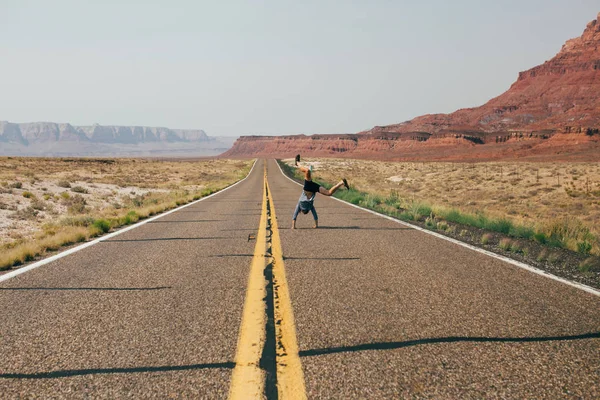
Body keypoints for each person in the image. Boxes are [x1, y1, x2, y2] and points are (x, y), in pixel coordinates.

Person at [291, 155, 349, 229]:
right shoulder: (309, 206)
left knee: (308, 171)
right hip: (313, 188)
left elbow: (295, 215)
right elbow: (313, 215)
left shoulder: (301, 205)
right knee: (329, 193)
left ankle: (297, 163)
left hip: (308, 187)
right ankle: (341, 183)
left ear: (302, 210)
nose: (304, 208)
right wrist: (316, 225)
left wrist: (293, 226)